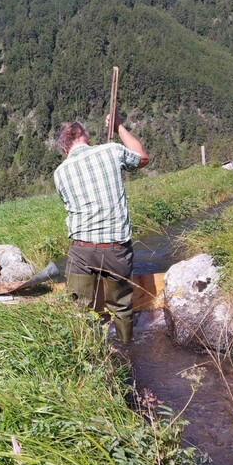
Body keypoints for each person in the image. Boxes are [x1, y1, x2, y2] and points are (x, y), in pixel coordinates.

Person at [53, 112, 149, 344]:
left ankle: (88, 355)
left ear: (64, 149)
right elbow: (142, 158)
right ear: (85, 137)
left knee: (79, 309)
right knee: (121, 307)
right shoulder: (111, 150)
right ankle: (126, 352)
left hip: (81, 251)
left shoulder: (59, 174)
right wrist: (118, 128)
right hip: (115, 248)